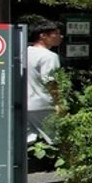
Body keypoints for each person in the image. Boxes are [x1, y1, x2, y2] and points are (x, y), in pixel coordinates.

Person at [25, 22, 64, 156]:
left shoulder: (24, 52)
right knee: (60, 138)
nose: (60, 36)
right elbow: (51, 81)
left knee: (26, 139)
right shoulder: (49, 56)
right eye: (56, 33)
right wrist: (58, 103)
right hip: (43, 104)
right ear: (43, 36)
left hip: (23, 103)